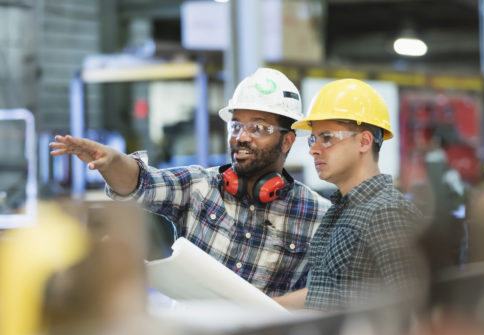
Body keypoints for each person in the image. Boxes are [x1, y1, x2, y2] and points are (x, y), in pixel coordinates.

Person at [50, 68, 330, 297]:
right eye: (236, 126)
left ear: (288, 140)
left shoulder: (317, 215)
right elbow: (140, 182)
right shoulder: (199, 186)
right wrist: (111, 161)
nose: (242, 137)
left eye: (257, 127)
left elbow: (323, 297)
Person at [275, 79, 427, 311]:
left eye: (327, 138)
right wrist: (261, 306)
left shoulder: (387, 214)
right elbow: (324, 292)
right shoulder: (339, 212)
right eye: (314, 138)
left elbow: (416, 306)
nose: (313, 149)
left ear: (364, 142)